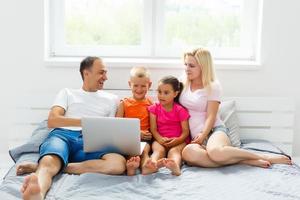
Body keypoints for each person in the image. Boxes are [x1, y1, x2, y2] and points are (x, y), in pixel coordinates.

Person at [17, 57, 126, 200]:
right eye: (101, 72)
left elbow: (112, 128)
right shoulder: (67, 93)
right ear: (86, 73)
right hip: (63, 135)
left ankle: (46, 167)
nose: (105, 77)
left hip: (93, 140)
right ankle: (37, 194)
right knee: (49, 161)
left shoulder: (113, 99)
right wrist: (86, 122)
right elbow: (53, 120)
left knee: (118, 164)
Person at [180, 48, 292, 168]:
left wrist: (203, 135)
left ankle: (263, 156)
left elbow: (211, 116)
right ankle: (243, 161)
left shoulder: (213, 86)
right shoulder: (183, 82)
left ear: (203, 67)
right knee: (188, 153)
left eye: (191, 66)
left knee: (215, 152)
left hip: (214, 131)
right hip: (196, 137)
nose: (187, 69)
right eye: (185, 64)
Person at [144, 76, 190, 176]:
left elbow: (186, 131)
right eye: (159, 92)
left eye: (166, 93)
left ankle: (175, 166)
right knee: (158, 150)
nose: (161, 95)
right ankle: (152, 165)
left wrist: (177, 140)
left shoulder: (180, 110)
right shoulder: (154, 108)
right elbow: (153, 129)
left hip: (179, 141)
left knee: (174, 151)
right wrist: (160, 139)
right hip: (160, 139)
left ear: (175, 94)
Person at [115, 66, 153, 176]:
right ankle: (131, 166)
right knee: (132, 151)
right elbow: (117, 125)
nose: (139, 89)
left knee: (144, 150)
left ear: (149, 85)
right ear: (129, 84)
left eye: (143, 86)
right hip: (128, 137)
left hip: (145, 139)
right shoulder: (124, 103)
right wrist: (137, 133)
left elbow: (153, 125)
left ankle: (146, 166)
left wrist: (150, 135)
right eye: (135, 85)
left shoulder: (151, 104)